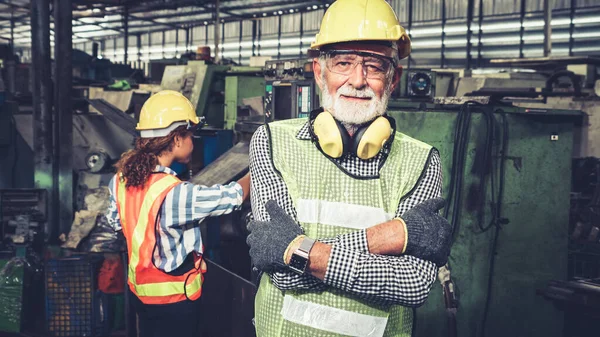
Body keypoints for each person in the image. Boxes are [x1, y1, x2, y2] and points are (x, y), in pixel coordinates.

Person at [246, 0, 453, 336]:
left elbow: (414, 285)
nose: (358, 80)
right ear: (319, 71)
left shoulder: (421, 160)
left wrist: (300, 251)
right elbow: (280, 274)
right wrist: (390, 237)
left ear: (393, 78)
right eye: (343, 62)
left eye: (374, 66)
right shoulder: (272, 142)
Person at [105, 90, 250, 337]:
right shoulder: (174, 193)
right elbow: (233, 196)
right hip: (174, 300)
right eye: (191, 135)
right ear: (176, 139)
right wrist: (256, 167)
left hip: (141, 296)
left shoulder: (120, 180)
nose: (193, 142)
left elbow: (116, 222)